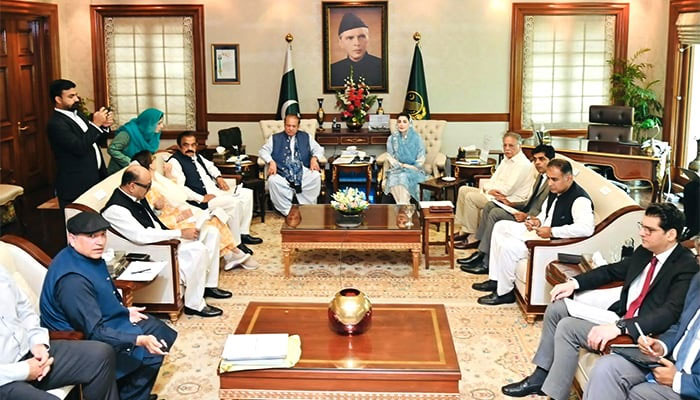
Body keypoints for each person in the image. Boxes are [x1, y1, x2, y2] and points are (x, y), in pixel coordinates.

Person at [501, 203, 698, 400]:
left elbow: (669, 313)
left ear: (671, 234)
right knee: (558, 308)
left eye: (649, 229)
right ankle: (542, 378)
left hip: (642, 333)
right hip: (620, 315)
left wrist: (621, 327)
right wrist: (575, 283)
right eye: (642, 226)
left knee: (568, 327)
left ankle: (552, 392)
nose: (641, 233)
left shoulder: (685, 266)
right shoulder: (645, 251)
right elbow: (612, 270)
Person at [39, 212, 177, 400]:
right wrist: (137, 340)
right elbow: (93, 331)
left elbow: (99, 296)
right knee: (150, 349)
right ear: (72, 238)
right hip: (78, 339)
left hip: (99, 320)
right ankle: (130, 396)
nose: (100, 242)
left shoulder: (87, 256)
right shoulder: (72, 281)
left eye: (103, 234)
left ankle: (131, 393)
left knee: (161, 332)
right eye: (91, 236)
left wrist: (123, 311)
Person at [101, 165, 230, 318]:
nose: (149, 189)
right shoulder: (116, 209)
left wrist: (156, 210)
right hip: (154, 248)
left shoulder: (136, 196)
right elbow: (141, 236)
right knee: (198, 249)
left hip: (162, 236)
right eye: (147, 186)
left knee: (212, 233)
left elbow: (147, 219)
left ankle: (209, 286)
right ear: (132, 186)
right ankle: (194, 304)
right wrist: (180, 233)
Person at [474, 158, 595, 305]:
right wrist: (536, 220)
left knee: (508, 247)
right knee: (500, 226)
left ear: (568, 178)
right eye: (548, 179)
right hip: (541, 233)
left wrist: (552, 232)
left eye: (554, 179)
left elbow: (586, 229)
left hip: (553, 244)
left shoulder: (580, 200)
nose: (550, 183)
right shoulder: (556, 190)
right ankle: (496, 279)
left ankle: (504, 293)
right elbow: (545, 213)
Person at [1, 266, 119, 400]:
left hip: (27, 353)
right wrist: (24, 370)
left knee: (100, 354)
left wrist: (38, 343)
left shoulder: (2, 272)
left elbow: (25, 310)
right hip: (4, 377)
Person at [131, 150, 258, 271]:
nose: (156, 161)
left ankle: (233, 252)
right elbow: (154, 215)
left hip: (180, 210)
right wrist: (174, 214)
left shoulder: (157, 177)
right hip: (172, 221)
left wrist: (169, 175)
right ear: (149, 164)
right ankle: (235, 253)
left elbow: (174, 191)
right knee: (213, 222)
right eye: (153, 159)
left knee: (217, 217)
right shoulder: (146, 187)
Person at [583, 272, 700, 400]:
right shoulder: (697, 280)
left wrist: (678, 381)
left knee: (638, 392)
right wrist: (661, 345)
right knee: (606, 367)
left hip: (691, 383)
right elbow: (681, 326)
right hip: (667, 363)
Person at [459, 144, 555, 274]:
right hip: (524, 211)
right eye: (535, 159)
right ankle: (481, 252)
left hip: (531, 219)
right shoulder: (541, 176)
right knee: (490, 205)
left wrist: (526, 217)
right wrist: (511, 204)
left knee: (495, 213)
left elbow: (547, 212)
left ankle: (486, 262)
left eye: (542, 159)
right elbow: (530, 202)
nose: (537, 163)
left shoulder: (554, 182)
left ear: (551, 160)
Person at [168, 131, 262, 254]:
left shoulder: (197, 156)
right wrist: (201, 198)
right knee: (233, 203)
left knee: (246, 193)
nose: (190, 148)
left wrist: (219, 177)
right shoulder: (175, 162)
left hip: (215, 192)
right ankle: (237, 243)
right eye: (186, 145)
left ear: (196, 145)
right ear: (180, 146)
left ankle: (243, 233)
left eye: (193, 145)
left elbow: (211, 166)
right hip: (201, 202)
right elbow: (180, 188)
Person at [454, 132, 533, 249]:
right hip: (494, 195)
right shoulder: (506, 160)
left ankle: (473, 236)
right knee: (463, 189)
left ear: (519, 146)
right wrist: (490, 189)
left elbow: (507, 190)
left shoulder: (522, 164)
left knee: (471, 197)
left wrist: (490, 189)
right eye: (505, 145)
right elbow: (492, 180)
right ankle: (464, 230)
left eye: (511, 145)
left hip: (508, 201)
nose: (507, 149)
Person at [47, 79, 113, 208]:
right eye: (71, 96)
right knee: (81, 221)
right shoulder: (56, 124)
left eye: (76, 95)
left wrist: (103, 127)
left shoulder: (80, 115)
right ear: (58, 99)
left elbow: (93, 141)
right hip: (76, 182)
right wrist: (95, 125)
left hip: (96, 175)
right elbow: (79, 147)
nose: (76, 99)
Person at [259, 114, 325, 216]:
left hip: (302, 171)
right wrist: (271, 162)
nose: (290, 128)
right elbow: (263, 151)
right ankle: (287, 211)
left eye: (293, 126)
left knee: (315, 176)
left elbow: (319, 149)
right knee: (273, 181)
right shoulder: (275, 138)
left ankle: (307, 207)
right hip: (282, 172)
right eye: (288, 125)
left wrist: (314, 158)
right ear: (284, 125)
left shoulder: (306, 137)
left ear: (298, 127)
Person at [382, 112, 429, 204]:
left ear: (409, 123)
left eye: (404, 122)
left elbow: (421, 158)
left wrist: (410, 167)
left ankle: (401, 209)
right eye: (399, 122)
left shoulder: (417, 138)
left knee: (403, 177)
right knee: (396, 179)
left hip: (414, 169)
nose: (401, 124)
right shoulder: (392, 139)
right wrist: (401, 165)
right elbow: (390, 157)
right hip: (396, 169)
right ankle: (404, 209)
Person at [330, 12, 383, 87]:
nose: (357, 43)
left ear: (368, 39)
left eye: (361, 37)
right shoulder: (332, 70)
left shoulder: (382, 67)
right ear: (341, 42)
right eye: (350, 38)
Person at [107, 108, 164, 174]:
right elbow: (112, 149)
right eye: (159, 123)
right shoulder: (128, 132)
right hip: (119, 172)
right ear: (148, 123)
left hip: (139, 173)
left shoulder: (153, 135)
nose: (162, 126)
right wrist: (130, 162)